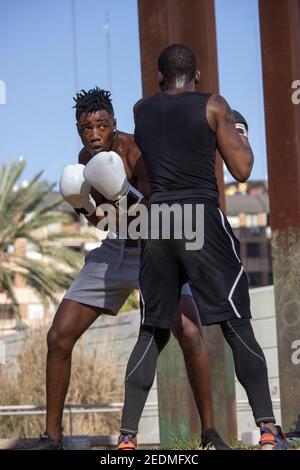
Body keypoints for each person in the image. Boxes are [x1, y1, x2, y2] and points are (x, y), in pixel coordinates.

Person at [31, 87, 228, 450]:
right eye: (86, 129)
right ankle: (52, 437)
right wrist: (83, 205)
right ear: (78, 130)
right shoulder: (85, 160)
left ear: (114, 124)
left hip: (160, 247)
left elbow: (159, 214)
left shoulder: (138, 151)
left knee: (187, 329)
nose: (94, 135)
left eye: (101, 126)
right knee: (58, 337)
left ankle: (210, 433)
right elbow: (102, 224)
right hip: (116, 248)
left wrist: (124, 195)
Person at [117, 44, 290, 451]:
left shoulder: (142, 109)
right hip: (199, 215)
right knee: (235, 322)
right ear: (196, 76)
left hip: (157, 220)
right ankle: (267, 431)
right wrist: (239, 132)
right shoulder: (213, 104)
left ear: (161, 78)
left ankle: (126, 439)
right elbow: (243, 170)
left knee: (151, 331)